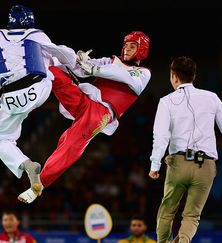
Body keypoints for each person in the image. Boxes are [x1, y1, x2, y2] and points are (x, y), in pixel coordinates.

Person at [18, 31, 152, 203]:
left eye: (132, 46)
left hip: (100, 113)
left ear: (142, 50)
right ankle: (17, 80)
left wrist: (95, 69)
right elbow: (81, 71)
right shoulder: (110, 60)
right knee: (52, 71)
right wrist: (77, 59)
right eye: (125, 45)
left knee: (70, 143)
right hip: (83, 100)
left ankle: (39, 185)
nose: (127, 49)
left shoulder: (142, 73)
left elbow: (122, 76)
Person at [148, 56, 222, 243]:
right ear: (194, 76)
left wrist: (155, 164)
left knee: (167, 210)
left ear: (174, 76)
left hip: (179, 164)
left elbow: (161, 136)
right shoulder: (211, 98)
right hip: (205, 166)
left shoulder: (166, 101)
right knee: (192, 215)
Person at [0, 4, 75, 195]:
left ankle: (26, 164)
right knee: (51, 59)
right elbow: (61, 53)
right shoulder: (36, 34)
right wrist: (74, 61)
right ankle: (74, 86)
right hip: (40, 89)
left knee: (0, 140)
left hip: (12, 98)